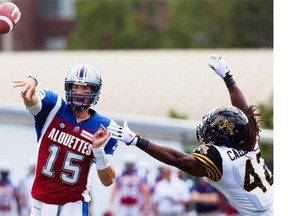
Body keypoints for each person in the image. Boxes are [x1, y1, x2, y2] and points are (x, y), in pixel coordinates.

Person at [106, 55, 274, 215]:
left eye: (212, 128)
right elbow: (243, 110)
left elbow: (177, 159)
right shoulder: (250, 139)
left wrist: (136, 140)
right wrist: (227, 77)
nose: (207, 131)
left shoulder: (221, 159)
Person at [13, 64, 118, 216]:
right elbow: (31, 100)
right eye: (75, 87)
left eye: (85, 88)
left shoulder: (104, 128)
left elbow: (108, 180)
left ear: (95, 91)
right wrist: (31, 82)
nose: (79, 92)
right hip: (41, 201)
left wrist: (98, 150)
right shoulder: (53, 107)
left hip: (73, 204)